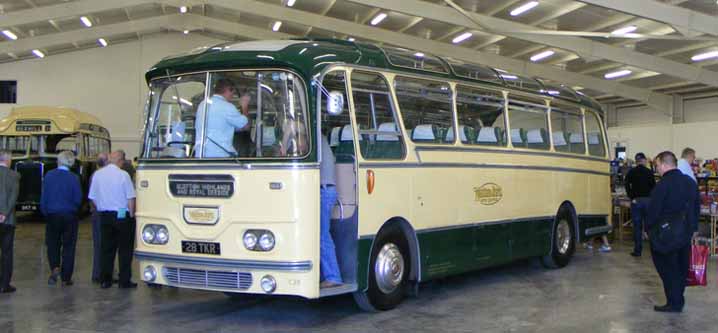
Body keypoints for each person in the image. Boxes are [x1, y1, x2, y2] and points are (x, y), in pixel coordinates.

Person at [646, 151, 700, 313]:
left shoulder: (662, 185)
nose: (657, 169)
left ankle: (674, 302)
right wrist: (694, 229)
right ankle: (678, 299)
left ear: (663, 164)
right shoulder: (690, 182)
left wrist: (648, 229)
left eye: (657, 166)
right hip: (685, 232)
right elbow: (696, 207)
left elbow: (653, 211)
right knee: (682, 266)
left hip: (665, 236)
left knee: (667, 268)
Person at [88, 151, 137, 289]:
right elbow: (130, 197)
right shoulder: (123, 175)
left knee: (106, 249)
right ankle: (124, 280)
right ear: (121, 161)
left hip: (105, 216)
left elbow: (92, 197)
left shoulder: (98, 174)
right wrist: (131, 215)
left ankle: (105, 280)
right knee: (125, 250)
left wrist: (102, 208)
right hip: (122, 215)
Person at [41, 151, 83, 286]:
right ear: (71, 162)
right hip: (69, 215)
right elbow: (78, 199)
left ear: (58, 161)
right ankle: (66, 278)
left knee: (52, 243)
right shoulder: (74, 178)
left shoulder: (49, 175)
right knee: (69, 246)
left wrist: (45, 211)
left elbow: (44, 197)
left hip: (52, 214)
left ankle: (55, 267)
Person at [194, 79, 250, 158]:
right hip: (220, 156)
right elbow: (246, 126)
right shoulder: (227, 107)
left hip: (200, 155)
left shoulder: (202, 104)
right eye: (233, 93)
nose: (232, 96)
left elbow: (221, 126)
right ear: (228, 90)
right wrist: (245, 106)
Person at [319, 134, 342, 288]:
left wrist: (288, 133)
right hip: (325, 190)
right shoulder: (319, 137)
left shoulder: (314, 137)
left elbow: (296, 148)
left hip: (324, 191)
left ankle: (333, 276)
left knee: (322, 235)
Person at [624, 152, 656, 257]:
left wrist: (631, 197)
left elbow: (626, 184)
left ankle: (637, 251)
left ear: (636, 161)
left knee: (637, 227)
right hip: (648, 201)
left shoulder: (631, 172)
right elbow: (654, 187)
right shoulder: (649, 172)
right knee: (649, 226)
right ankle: (654, 250)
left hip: (636, 201)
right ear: (643, 160)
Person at [0, 150, 19, 293]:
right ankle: (5, 284)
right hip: (8, 221)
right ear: (8, 160)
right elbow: (13, 198)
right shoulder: (14, 175)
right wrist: (4, 214)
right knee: (7, 253)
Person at [90, 152, 109, 283]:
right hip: (102, 212)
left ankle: (99, 273)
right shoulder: (100, 176)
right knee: (104, 245)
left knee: (99, 245)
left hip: (97, 212)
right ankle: (100, 273)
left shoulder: (94, 175)